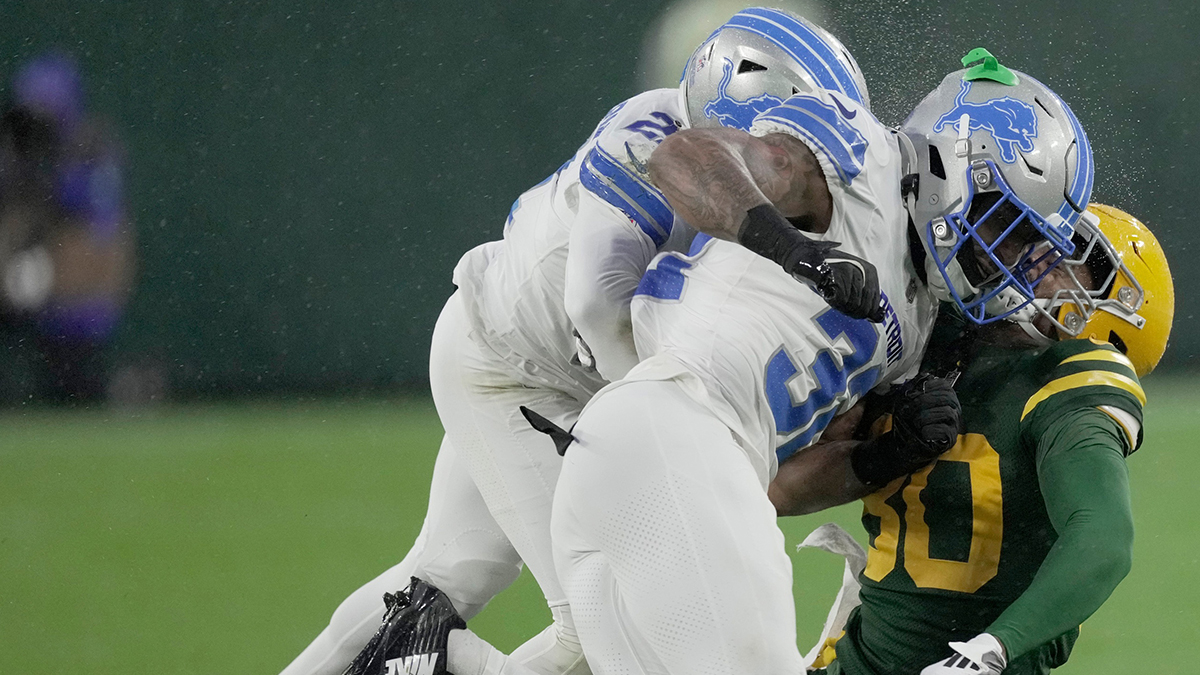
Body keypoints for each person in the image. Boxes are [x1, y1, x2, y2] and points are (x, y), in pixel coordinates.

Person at [365, 49, 1096, 675]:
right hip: (673, 423)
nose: (1012, 261)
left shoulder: (921, 311)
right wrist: (789, 244)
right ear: (952, 169)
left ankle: (424, 654)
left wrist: (881, 457)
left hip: (652, 467)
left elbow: (775, 490)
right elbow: (685, 155)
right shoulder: (858, 162)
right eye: (1008, 224)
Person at [280, 9, 874, 675]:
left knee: (440, 576)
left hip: (537, 361)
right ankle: (416, 665)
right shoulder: (651, 142)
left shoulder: (737, 164)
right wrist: (668, 431)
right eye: (800, 145)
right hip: (518, 370)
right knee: (601, 623)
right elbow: (595, 303)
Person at [770, 203, 1173, 675]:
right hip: (857, 660)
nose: (1034, 259)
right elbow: (778, 492)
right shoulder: (927, 334)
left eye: (1065, 259)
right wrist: (887, 453)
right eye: (1038, 242)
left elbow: (1104, 537)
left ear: (1107, 322)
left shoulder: (1071, 382)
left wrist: (992, 651)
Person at [0, 51, 135, 403]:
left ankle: (110, 387)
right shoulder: (15, 148)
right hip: (25, 264)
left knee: (73, 383)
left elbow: (101, 226)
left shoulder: (90, 147)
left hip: (74, 276)